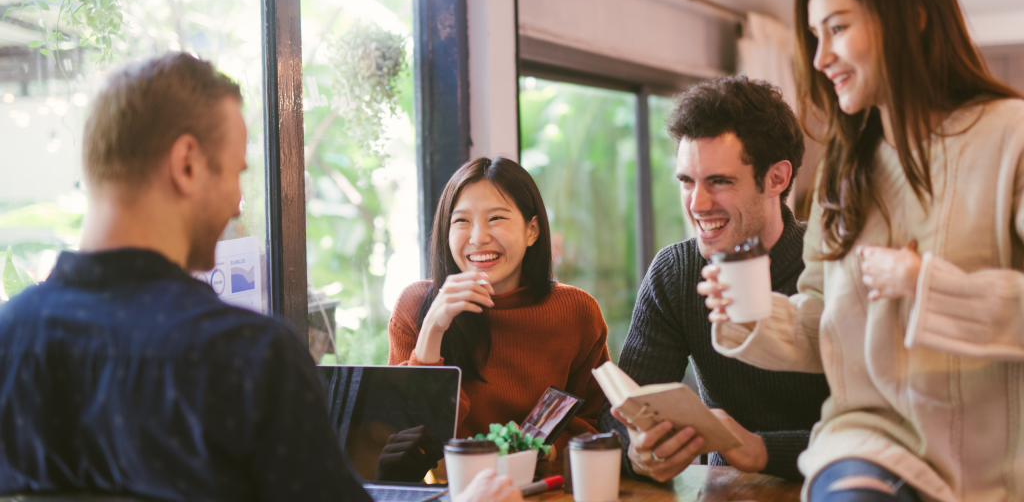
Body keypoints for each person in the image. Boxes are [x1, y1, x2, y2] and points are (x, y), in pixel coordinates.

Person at [0, 52, 524, 502]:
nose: (236, 201)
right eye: (235, 173)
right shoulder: (247, 357)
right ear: (186, 164)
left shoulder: (9, 341)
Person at [700, 0, 1024, 502]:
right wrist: (752, 317)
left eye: (839, 28)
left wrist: (925, 285)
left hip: (996, 463)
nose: (822, 58)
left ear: (914, 18)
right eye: (814, 36)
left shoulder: (1010, 138)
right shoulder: (844, 173)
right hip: (866, 445)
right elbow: (824, 320)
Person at [598, 76, 831, 483]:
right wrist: (637, 452)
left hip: (832, 486)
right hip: (724, 490)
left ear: (777, 178)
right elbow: (619, 417)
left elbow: (885, 431)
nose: (697, 204)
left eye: (719, 182)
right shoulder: (675, 273)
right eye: (687, 181)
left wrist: (759, 449)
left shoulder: (834, 265)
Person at [388, 157, 610, 457]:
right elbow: (403, 435)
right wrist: (432, 330)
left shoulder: (576, 311)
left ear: (532, 230)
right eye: (461, 221)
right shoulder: (414, 305)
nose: (478, 238)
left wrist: (525, 454)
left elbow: (597, 426)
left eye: (496, 219)